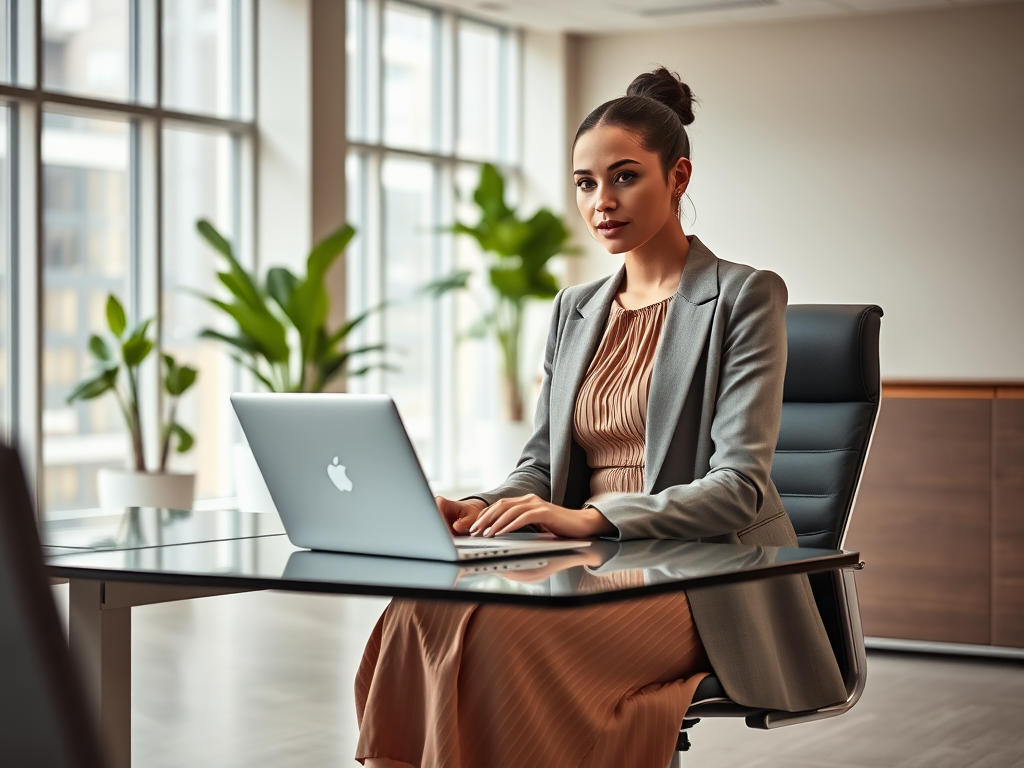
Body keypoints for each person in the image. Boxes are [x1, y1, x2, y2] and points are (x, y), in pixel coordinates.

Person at [355, 67, 846, 768]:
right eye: (585, 182)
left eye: (624, 177)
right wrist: (470, 507)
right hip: (585, 562)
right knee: (418, 612)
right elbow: (539, 465)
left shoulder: (744, 295)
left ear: (677, 178)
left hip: (702, 577)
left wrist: (595, 518)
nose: (601, 202)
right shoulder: (574, 308)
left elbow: (739, 486)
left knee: (503, 640)